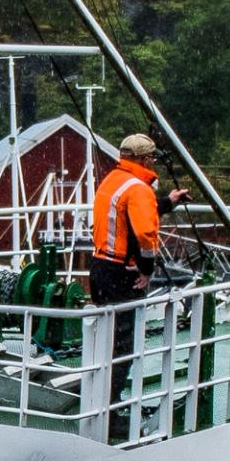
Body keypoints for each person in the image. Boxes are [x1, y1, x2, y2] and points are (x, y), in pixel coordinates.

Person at [87, 132, 165, 434]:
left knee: (106, 341)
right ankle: (111, 413)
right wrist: (147, 268)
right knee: (123, 345)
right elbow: (145, 233)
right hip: (122, 272)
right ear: (145, 160)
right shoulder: (140, 189)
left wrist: (166, 203)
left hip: (100, 267)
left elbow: (124, 215)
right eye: (152, 158)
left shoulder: (113, 181)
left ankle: (100, 400)